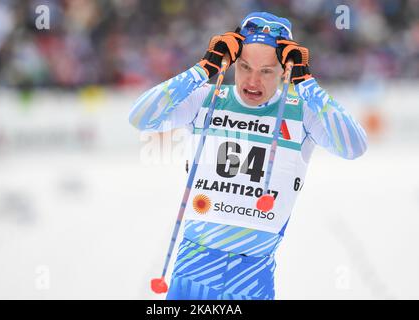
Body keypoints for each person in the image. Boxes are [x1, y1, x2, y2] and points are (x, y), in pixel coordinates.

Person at [129, 12, 367, 300]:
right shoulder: (205, 98)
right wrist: (203, 69)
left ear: (284, 71)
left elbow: (354, 146)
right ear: (232, 63)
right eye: (244, 67)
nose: (253, 81)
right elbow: (140, 117)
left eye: (266, 71)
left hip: (252, 279)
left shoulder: (302, 112)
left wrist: (306, 82)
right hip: (192, 272)